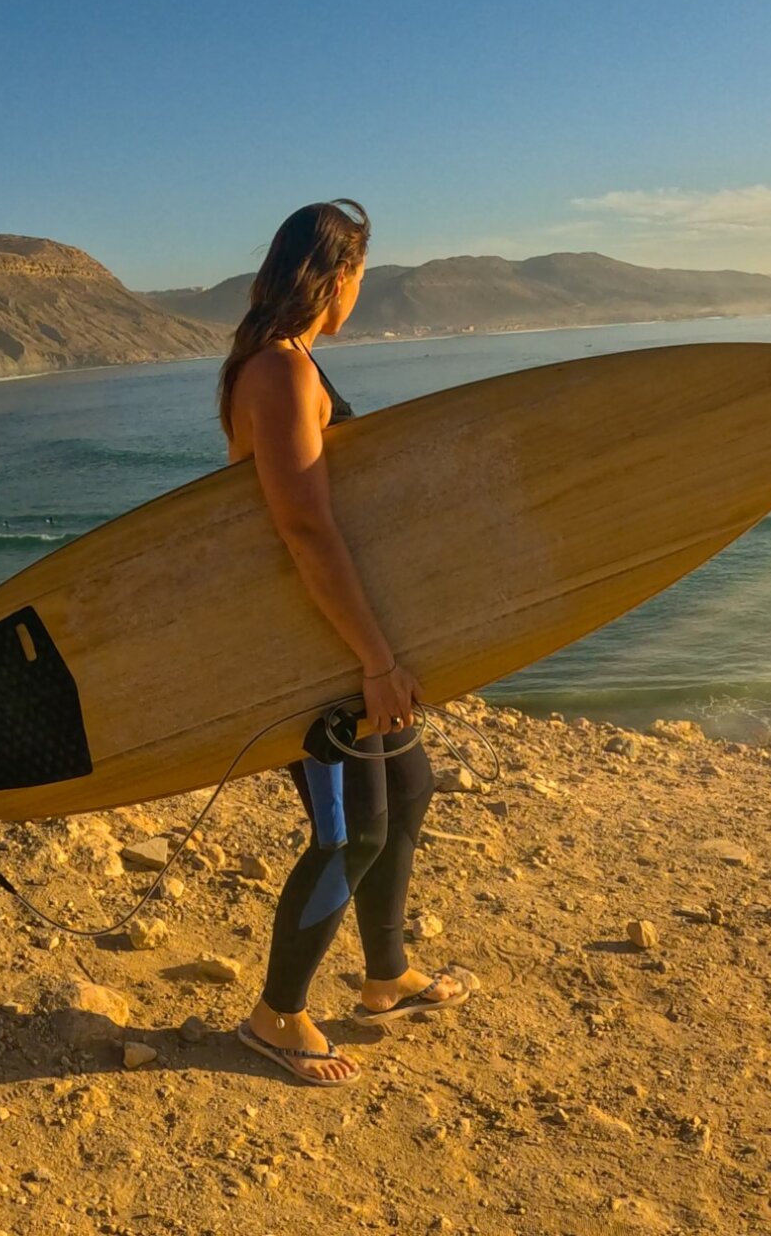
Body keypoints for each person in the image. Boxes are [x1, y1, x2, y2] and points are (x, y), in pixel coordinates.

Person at [217, 200, 474, 1086]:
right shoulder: (278, 373)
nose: (360, 291)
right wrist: (373, 657)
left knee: (407, 786)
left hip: (338, 630)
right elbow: (305, 530)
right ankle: (274, 1014)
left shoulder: (287, 362)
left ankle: (384, 975)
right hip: (316, 646)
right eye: (359, 275)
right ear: (334, 278)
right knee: (348, 831)